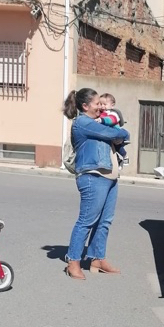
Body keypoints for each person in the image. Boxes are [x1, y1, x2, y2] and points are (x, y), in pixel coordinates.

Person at [62, 88, 130, 280]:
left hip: (110, 177)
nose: (101, 107)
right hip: (93, 176)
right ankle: (73, 262)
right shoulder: (83, 123)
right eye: (97, 103)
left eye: (102, 103)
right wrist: (118, 132)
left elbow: (122, 133)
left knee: (104, 221)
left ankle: (97, 259)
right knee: (86, 221)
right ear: (85, 106)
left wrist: (119, 133)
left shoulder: (95, 123)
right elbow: (119, 133)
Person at [98, 93, 129, 169]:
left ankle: (125, 156)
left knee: (117, 147)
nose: (102, 106)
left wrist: (101, 120)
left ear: (112, 105)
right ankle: (118, 160)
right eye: (101, 104)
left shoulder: (113, 113)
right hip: (108, 135)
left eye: (105, 104)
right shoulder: (100, 113)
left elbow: (112, 119)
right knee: (110, 149)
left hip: (115, 133)